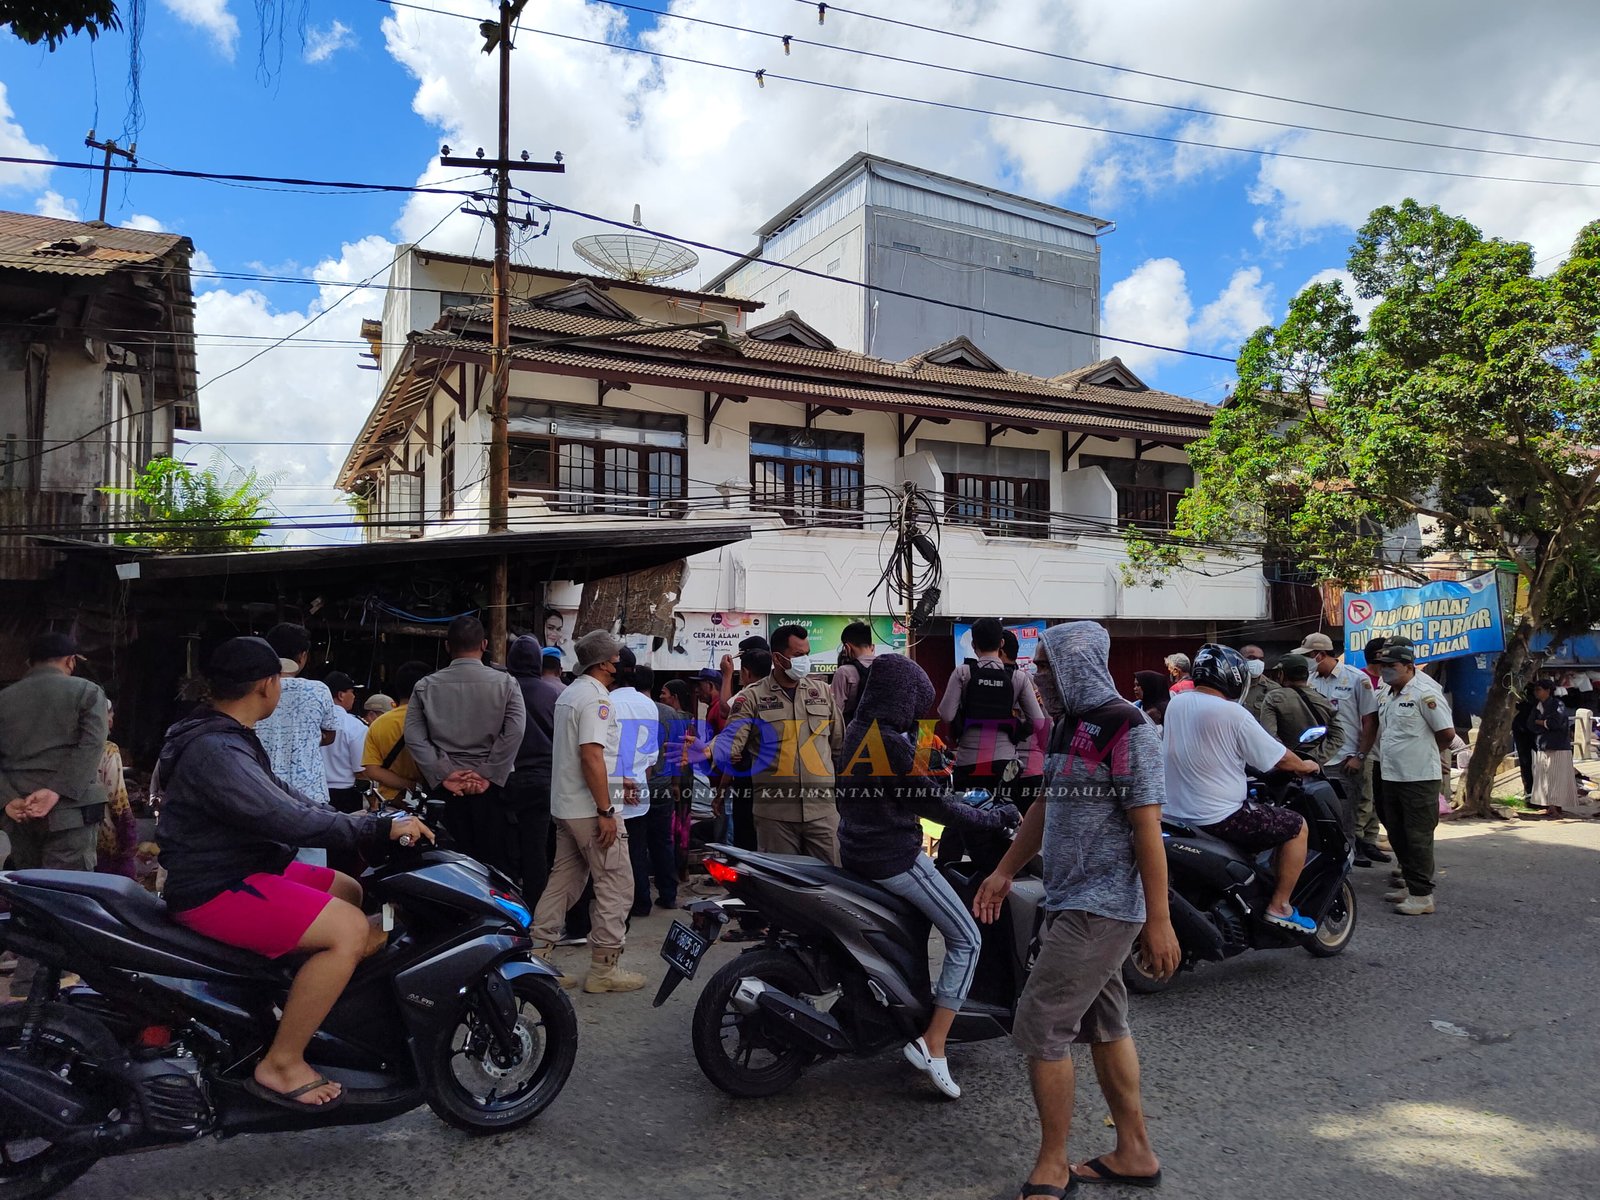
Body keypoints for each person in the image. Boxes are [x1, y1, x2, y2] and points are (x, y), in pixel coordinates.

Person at [156, 636, 431, 1109]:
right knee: (348, 931)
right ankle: (282, 1061)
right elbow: (282, 817)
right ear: (267, 684)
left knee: (348, 889)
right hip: (216, 886)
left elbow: (289, 798)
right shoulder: (216, 749)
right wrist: (372, 829)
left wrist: (377, 822)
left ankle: (300, 1002)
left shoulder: (222, 733)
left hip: (241, 869)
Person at [974, 622, 1179, 1197]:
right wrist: (1006, 869)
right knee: (1105, 1024)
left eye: (1044, 665)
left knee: (1041, 1025)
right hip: (1069, 896)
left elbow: (1147, 830)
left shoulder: (1128, 729)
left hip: (1104, 905)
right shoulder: (1068, 726)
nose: (1035, 675)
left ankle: (1052, 1163)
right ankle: (1135, 1151)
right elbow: (1046, 802)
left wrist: (1158, 922)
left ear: (1076, 666)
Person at [836, 653, 1016, 1100]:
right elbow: (935, 806)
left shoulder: (859, 730)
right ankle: (933, 1043)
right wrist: (993, 818)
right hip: (893, 857)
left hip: (856, 850)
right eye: (918, 704)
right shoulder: (889, 741)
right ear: (904, 697)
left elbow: (912, 788)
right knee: (967, 938)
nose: (921, 714)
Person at [1162, 644, 1323, 933]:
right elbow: (1280, 758)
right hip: (1219, 818)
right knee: (1297, 826)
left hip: (1174, 815)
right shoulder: (1233, 713)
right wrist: (1306, 766)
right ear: (1234, 677)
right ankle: (1280, 906)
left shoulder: (1177, 703)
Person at [530, 631, 646, 993]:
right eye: (615, 657)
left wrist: (615, 783)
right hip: (590, 809)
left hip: (566, 806)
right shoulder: (597, 699)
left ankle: (537, 957)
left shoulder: (570, 693)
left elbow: (593, 756)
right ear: (604, 664)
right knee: (616, 884)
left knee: (563, 882)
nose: (620, 662)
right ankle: (604, 969)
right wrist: (606, 810)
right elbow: (591, 755)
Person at [0, 632, 109, 1000]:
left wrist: (7, 800)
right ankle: (33, 991)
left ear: (30, 663)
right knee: (66, 899)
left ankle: (36, 985)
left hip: (18, 814)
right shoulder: (86, 692)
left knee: (31, 898)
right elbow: (92, 745)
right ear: (70, 661)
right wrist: (57, 790)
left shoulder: (4, 698)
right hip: (70, 813)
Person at [404, 615, 526, 871]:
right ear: (483, 645)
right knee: (493, 865)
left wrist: (444, 773)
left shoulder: (425, 686)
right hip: (492, 792)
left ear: (447, 646)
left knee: (448, 864)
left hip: (445, 791)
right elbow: (515, 731)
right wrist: (487, 773)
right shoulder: (506, 683)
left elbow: (414, 736)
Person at [722, 624, 845, 864]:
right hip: (775, 817)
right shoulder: (753, 696)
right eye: (799, 656)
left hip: (822, 814)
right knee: (781, 888)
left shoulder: (822, 692)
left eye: (807, 653)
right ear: (777, 658)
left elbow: (838, 746)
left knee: (832, 887)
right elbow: (731, 741)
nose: (805, 660)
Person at [1357, 637, 1454, 916]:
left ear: (1409, 666)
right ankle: (1411, 886)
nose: (1385, 670)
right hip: (1391, 774)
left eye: (1392, 665)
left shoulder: (1426, 693)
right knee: (1397, 834)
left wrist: (1424, 753)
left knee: (1418, 836)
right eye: (1382, 665)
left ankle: (1423, 896)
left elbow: (1446, 735)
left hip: (1418, 777)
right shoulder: (1386, 693)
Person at [937, 618, 1046, 862]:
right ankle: (997, 872)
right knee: (1002, 820)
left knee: (963, 818)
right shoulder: (1018, 677)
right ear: (1002, 642)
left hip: (968, 763)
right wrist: (1015, 728)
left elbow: (945, 714)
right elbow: (1038, 721)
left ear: (973, 644)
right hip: (1005, 764)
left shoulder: (963, 673)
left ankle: (952, 869)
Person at [1296, 632, 1388, 865]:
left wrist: (1359, 755)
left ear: (1320, 654)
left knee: (1348, 814)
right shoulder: (1310, 679)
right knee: (1320, 814)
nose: (1306, 660)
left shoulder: (1356, 679)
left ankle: (1347, 859)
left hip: (1346, 759)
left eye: (1308, 655)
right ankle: (1325, 859)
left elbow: (1370, 721)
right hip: (1318, 758)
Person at [253, 625, 342, 837]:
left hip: (262, 794)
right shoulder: (319, 690)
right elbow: (330, 735)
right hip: (309, 797)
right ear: (302, 656)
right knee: (311, 868)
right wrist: (306, 737)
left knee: (265, 866)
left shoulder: (253, 689)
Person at [506, 636, 564, 901]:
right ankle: (535, 908)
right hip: (543, 780)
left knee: (504, 847)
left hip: (503, 778)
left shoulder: (502, 689)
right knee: (536, 849)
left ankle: (507, 906)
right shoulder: (552, 694)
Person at [606, 650, 662, 919]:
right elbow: (651, 756)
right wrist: (638, 784)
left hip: (610, 789)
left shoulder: (604, 701)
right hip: (639, 788)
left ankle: (619, 908)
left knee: (611, 854)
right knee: (637, 849)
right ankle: (641, 901)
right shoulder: (647, 704)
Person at [359, 662, 430, 803]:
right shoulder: (434, 720)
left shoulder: (379, 724)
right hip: (431, 800)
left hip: (391, 802)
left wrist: (410, 786)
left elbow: (372, 770)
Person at [1258, 653, 1338, 764]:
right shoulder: (1323, 700)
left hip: (1285, 769)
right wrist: (1314, 758)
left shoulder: (1274, 698)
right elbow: (1338, 737)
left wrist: (1291, 760)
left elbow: (1269, 737)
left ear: (1281, 674)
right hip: (1314, 768)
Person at [96, 701, 139, 879]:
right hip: (105, 842)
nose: (112, 722)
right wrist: (129, 837)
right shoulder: (108, 750)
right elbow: (118, 800)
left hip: (73, 838)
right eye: (110, 717)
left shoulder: (63, 750)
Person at [320, 671, 370, 815]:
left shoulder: (312, 721)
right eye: (352, 692)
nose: (354, 696)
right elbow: (361, 769)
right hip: (345, 795)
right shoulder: (355, 725)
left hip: (314, 792)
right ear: (341, 695)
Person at [1529, 678, 1577, 818]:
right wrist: (1543, 724)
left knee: (1558, 778)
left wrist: (1541, 722)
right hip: (1543, 745)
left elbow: (1555, 723)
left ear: (1547, 690)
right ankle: (1549, 805)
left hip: (1558, 746)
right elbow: (1530, 724)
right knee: (1545, 777)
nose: (1536, 693)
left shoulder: (1558, 704)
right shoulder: (1537, 706)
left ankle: (1557, 806)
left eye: (1539, 690)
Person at [831, 620, 877, 722]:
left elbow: (835, 713)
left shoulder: (844, 672)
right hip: (885, 735)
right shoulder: (888, 668)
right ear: (872, 647)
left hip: (854, 734)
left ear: (847, 648)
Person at [1239, 644, 1277, 723]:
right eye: (1252, 658)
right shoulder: (1229, 685)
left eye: (1261, 659)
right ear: (1239, 659)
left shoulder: (1273, 689)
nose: (1257, 662)